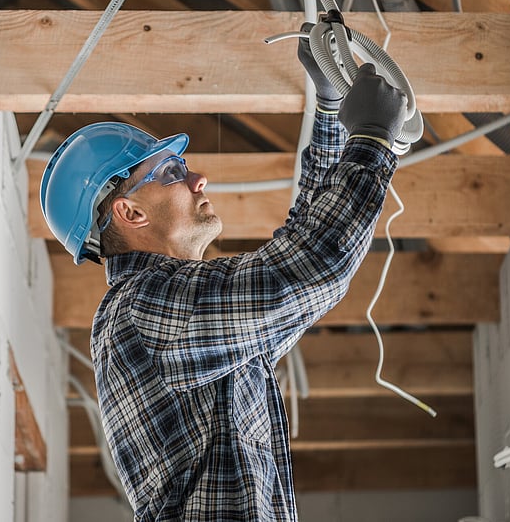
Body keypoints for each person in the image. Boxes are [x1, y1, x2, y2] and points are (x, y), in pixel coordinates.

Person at [40, 28, 407, 521]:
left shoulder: (177, 317)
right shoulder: (145, 309)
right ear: (130, 214)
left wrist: (330, 109)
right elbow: (308, 268)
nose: (197, 179)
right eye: (171, 173)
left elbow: (300, 245)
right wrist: (371, 142)